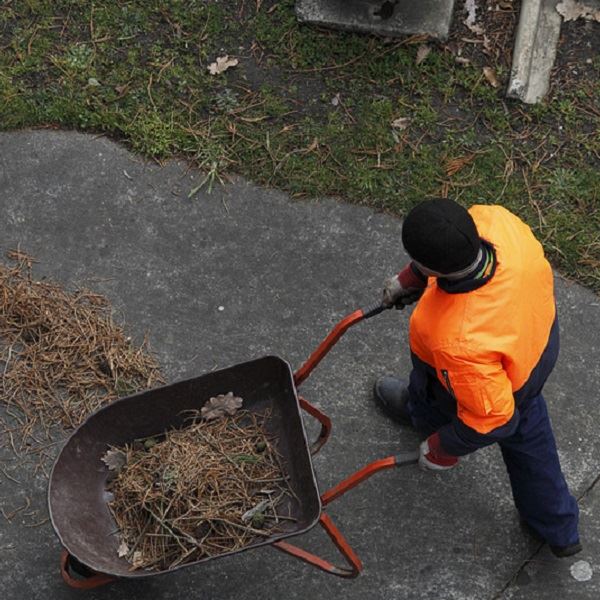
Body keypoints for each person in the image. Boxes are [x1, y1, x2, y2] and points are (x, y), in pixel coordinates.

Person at [374, 198, 581, 557]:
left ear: (435, 266)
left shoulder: (460, 342)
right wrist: (411, 278)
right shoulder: (495, 222)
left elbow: (493, 420)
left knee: (522, 444)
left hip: (499, 389)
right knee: (529, 445)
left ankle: (422, 417)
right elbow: (452, 249)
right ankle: (559, 529)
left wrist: (442, 449)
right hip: (532, 343)